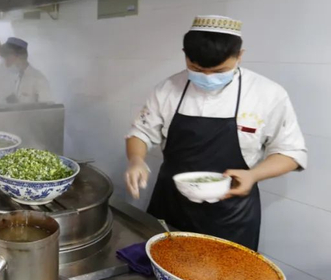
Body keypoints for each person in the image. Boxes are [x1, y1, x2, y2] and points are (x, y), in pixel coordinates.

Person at [124, 16, 307, 250]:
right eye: (197, 69)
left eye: (219, 71)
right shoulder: (167, 89)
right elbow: (140, 132)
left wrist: (254, 175)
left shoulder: (268, 94)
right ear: (185, 55)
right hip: (171, 203)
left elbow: (291, 152)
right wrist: (136, 159)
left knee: (226, 271)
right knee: (160, 265)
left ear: (240, 55)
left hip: (231, 212)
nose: (208, 77)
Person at [1, 37, 52, 104]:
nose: (6, 64)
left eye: (8, 59)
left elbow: (47, 108)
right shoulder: (16, 78)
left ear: (19, 56)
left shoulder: (39, 79)